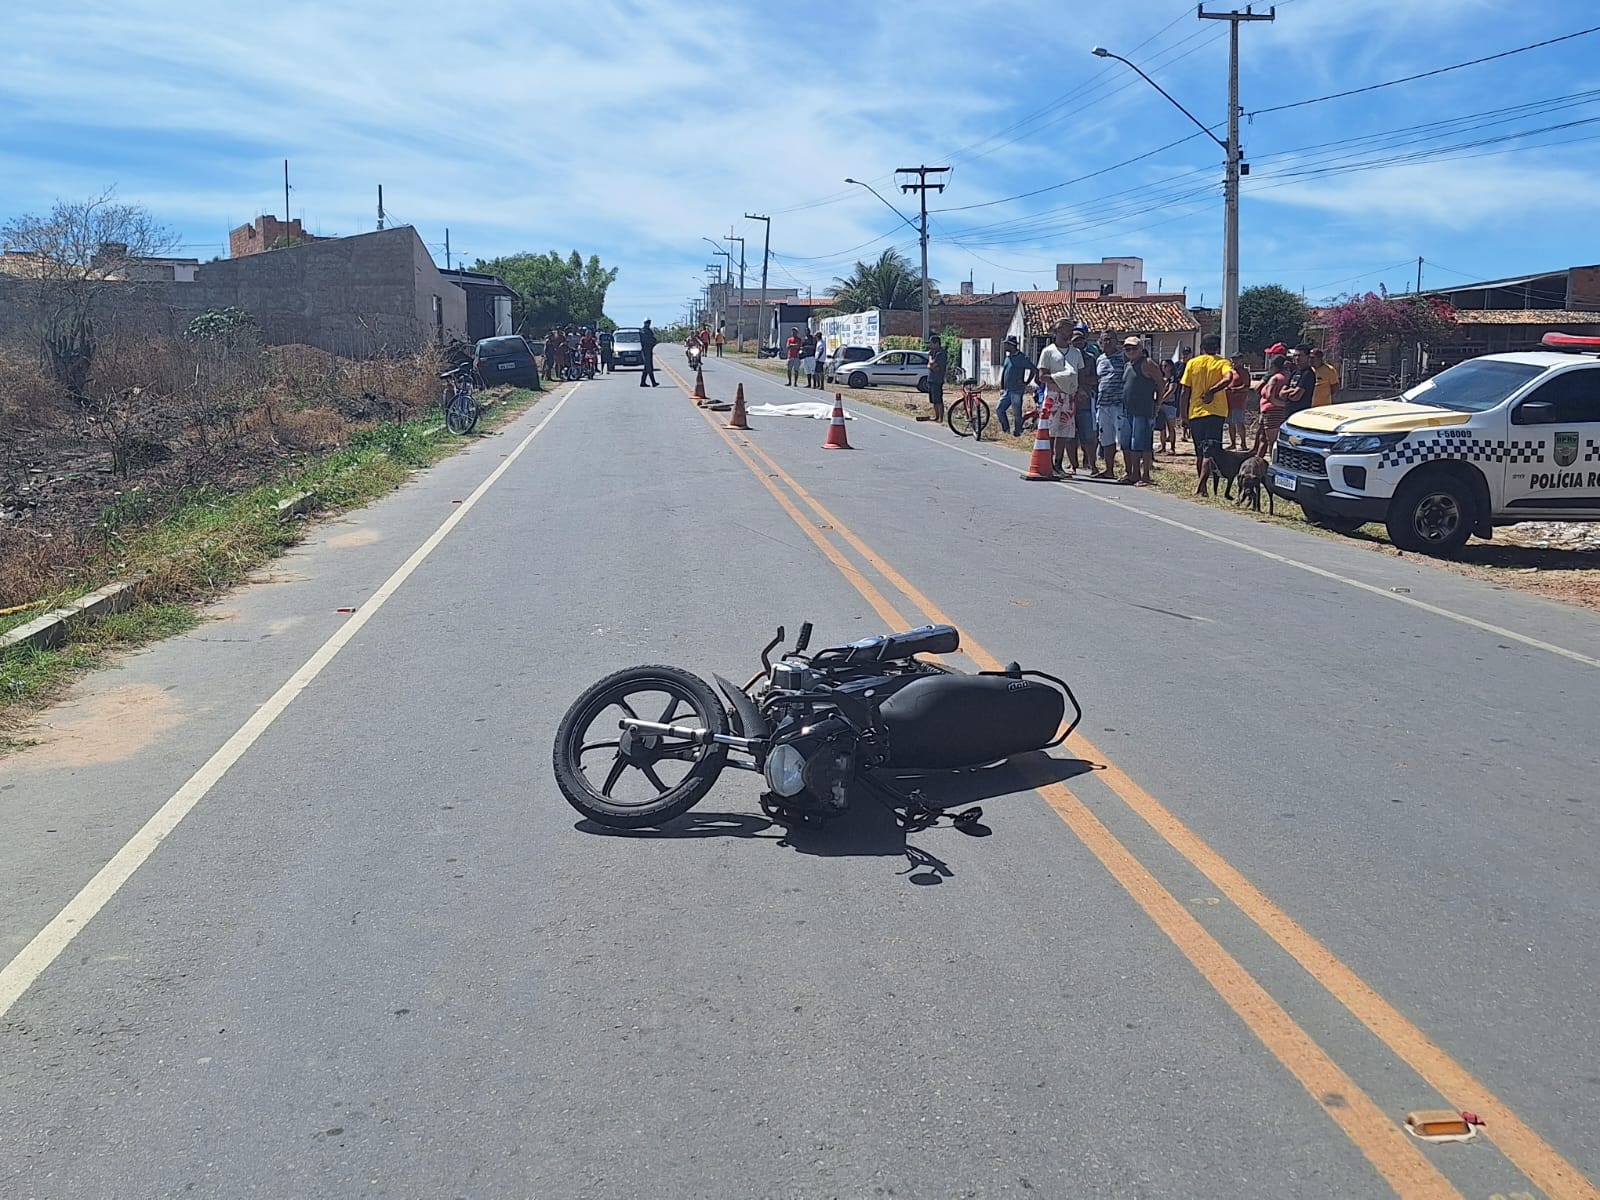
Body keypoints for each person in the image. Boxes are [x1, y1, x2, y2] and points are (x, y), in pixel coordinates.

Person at [1178, 333, 1231, 482]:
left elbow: (1184, 392)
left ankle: (1201, 483)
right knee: (1211, 452)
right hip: (1216, 413)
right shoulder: (1223, 363)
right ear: (1218, 348)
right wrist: (1212, 391)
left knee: (1200, 453)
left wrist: (1184, 416)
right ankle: (1203, 483)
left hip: (1195, 413)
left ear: (1202, 348)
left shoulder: (1192, 363)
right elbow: (1229, 378)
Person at [1121, 337, 1165, 487]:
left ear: (1140, 349)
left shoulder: (1147, 364)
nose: (1131, 351)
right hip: (1127, 411)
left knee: (1143, 444)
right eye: (1127, 349)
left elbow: (1160, 383)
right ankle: (1133, 474)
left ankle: (1145, 475)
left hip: (1143, 410)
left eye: (1134, 348)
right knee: (1129, 444)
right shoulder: (1127, 365)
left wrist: (1158, 403)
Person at [1036, 321, 1079, 475]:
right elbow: (1042, 376)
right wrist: (1061, 378)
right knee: (1050, 431)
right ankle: (1048, 461)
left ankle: (1058, 463)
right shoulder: (1048, 352)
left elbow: (1078, 374)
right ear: (1059, 331)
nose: (1070, 333)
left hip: (1069, 395)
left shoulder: (1076, 353)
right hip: (1053, 395)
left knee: (1064, 432)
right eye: (1068, 329)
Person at [1094, 329, 1127, 480]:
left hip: (1119, 404)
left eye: (1109, 339)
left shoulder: (1124, 357)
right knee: (1106, 439)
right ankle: (1109, 470)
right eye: (1103, 340)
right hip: (1103, 404)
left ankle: (1129, 471)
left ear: (1116, 341)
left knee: (1123, 439)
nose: (1106, 343)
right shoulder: (1100, 359)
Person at [996, 335, 1035, 436]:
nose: (1005, 346)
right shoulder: (1008, 358)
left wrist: (1026, 382)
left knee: (1016, 413)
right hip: (1007, 390)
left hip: (1017, 390)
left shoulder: (1021, 358)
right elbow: (1004, 373)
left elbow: (1033, 370)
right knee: (999, 409)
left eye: (1006, 344)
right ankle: (1006, 430)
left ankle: (1018, 431)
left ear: (1012, 345)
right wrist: (1002, 387)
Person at [1253, 353, 1290, 458]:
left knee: (1272, 442)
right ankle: (1258, 459)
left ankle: (1274, 462)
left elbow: (1269, 395)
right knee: (1264, 438)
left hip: (1271, 412)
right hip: (1278, 411)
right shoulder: (1288, 375)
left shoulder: (1275, 378)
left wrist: (1278, 403)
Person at [1225, 353, 1252, 450]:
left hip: (1239, 402)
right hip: (1229, 401)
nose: (1234, 362)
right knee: (1230, 423)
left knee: (1239, 423)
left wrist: (1234, 390)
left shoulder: (1244, 372)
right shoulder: (1230, 372)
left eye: (1236, 360)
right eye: (1232, 360)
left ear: (1241, 361)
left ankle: (1243, 443)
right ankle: (1233, 443)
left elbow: (1246, 387)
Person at [1284, 344, 1318, 419]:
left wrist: (1287, 394)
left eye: (1300, 355)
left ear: (1307, 357)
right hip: (1288, 413)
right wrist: (1290, 392)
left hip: (1300, 414)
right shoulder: (1294, 372)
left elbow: (1296, 397)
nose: (1297, 358)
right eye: (1295, 355)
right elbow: (1281, 393)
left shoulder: (1308, 374)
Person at [926, 335, 949, 424]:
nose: (930, 345)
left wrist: (930, 361)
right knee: (933, 400)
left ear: (936, 343)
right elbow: (929, 365)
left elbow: (933, 365)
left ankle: (941, 417)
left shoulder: (941, 354)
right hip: (931, 378)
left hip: (937, 379)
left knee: (938, 399)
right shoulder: (933, 353)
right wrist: (931, 365)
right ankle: (936, 416)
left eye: (931, 343)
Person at [639, 319, 658, 387]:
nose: (648, 324)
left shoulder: (648, 330)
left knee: (647, 367)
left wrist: (654, 341)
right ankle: (653, 382)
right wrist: (652, 341)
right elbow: (647, 340)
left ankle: (643, 382)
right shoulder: (643, 331)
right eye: (647, 322)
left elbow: (653, 338)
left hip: (649, 350)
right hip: (645, 350)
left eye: (649, 323)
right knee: (649, 366)